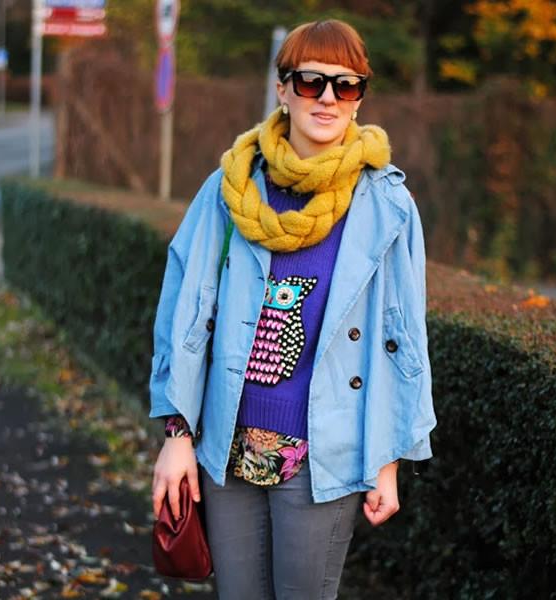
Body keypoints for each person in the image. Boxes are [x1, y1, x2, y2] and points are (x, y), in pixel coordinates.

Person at [150, 18, 437, 600]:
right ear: (282, 89)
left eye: (346, 85)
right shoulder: (230, 189)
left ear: (359, 98)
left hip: (324, 459)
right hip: (225, 450)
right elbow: (185, 312)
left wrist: (389, 461)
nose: (328, 97)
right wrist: (177, 434)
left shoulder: (387, 204)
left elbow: (402, 338)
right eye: (311, 81)